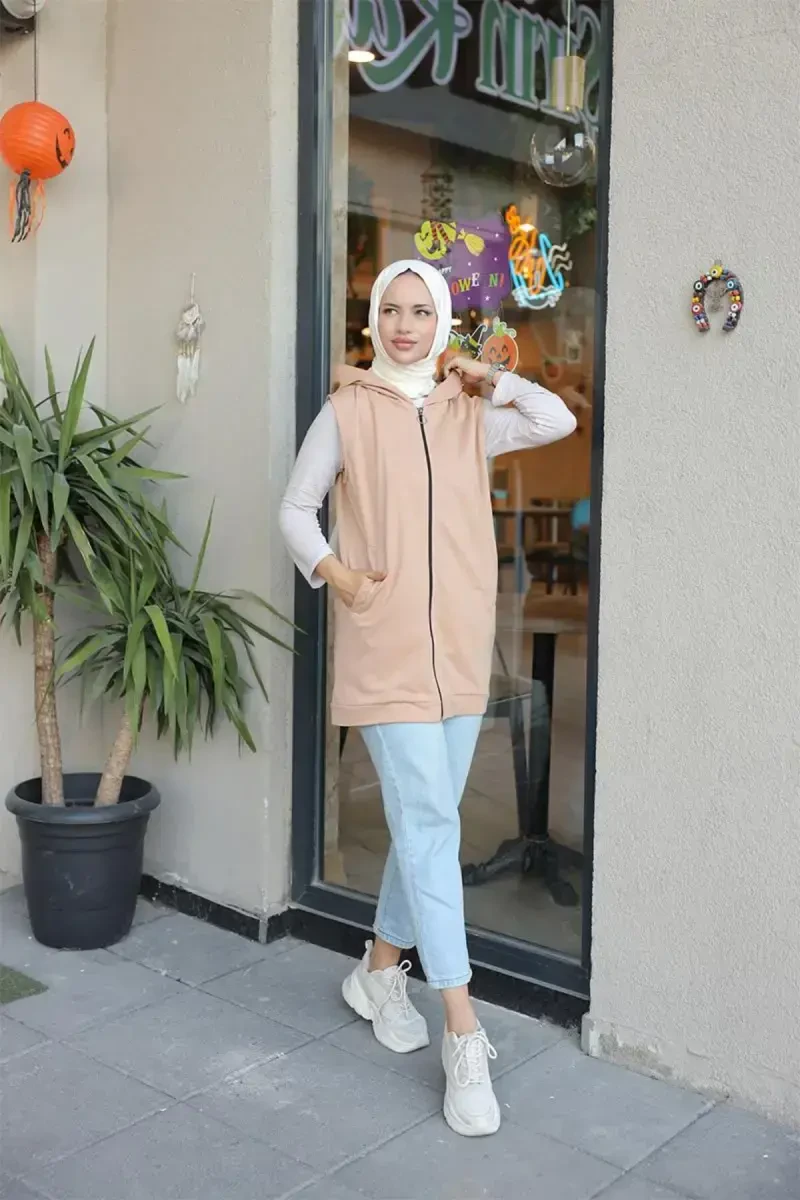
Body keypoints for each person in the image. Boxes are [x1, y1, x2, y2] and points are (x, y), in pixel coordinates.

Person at [280, 259, 576, 1137]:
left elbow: (557, 417)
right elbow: (296, 508)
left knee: (426, 819)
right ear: (374, 320)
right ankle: (463, 1028)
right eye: (391, 310)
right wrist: (339, 576)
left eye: (421, 311)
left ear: (442, 322)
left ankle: (378, 970)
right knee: (434, 825)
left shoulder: (468, 413)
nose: (405, 325)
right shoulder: (347, 410)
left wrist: (491, 376)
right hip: (385, 651)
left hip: (457, 653)